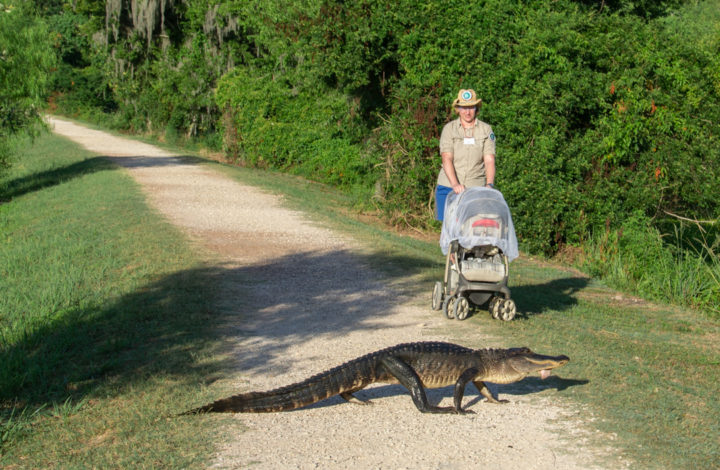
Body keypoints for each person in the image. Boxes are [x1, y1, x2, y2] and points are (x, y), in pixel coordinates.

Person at [435, 89, 496, 221]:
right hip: (449, 186)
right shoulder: (449, 129)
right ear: (458, 109)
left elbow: (489, 160)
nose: (467, 112)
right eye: (463, 108)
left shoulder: (486, 129)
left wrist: (489, 185)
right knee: (450, 229)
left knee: (471, 228)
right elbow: (446, 158)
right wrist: (455, 184)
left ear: (476, 108)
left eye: (471, 107)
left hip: (475, 188)